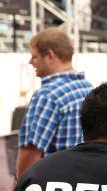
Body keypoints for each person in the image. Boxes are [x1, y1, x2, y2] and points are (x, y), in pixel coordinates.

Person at [17, 28, 94, 179]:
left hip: (51, 187)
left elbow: (31, 151)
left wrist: (20, 187)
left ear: (50, 56)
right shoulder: (89, 88)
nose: (31, 62)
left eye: (35, 56)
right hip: (82, 183)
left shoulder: (48, 95)